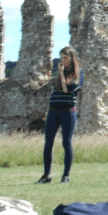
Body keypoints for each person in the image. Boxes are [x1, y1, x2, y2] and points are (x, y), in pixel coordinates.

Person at [36, 46, 84, 184]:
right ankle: (46, 175)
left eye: (65, 58)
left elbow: (67, 90)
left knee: (66, 142)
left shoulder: (78, 74)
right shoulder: (58, 74)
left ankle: (65, 176)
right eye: (61, 57)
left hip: (68, 112)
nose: (63, 61)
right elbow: (56, 90)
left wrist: (62, 75)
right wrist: (60, 75)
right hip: (53, 110)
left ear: (71, 58)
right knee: (48, 143)